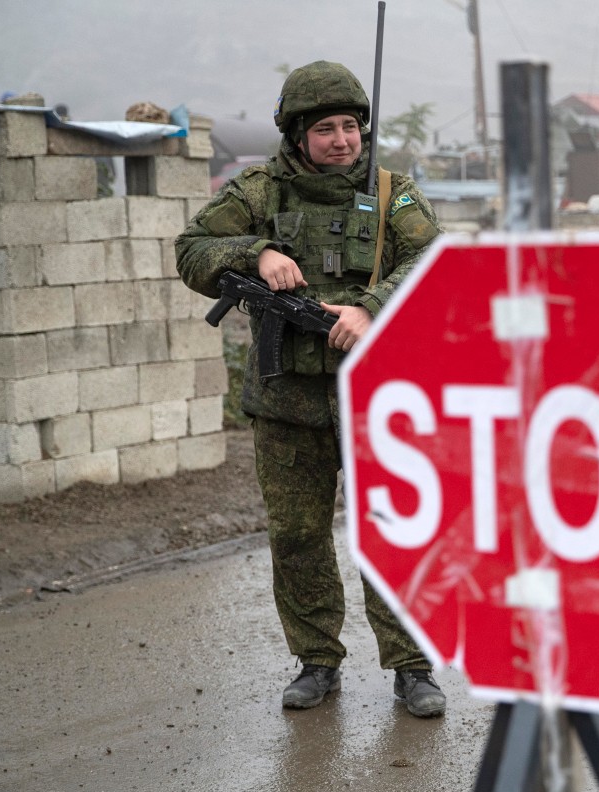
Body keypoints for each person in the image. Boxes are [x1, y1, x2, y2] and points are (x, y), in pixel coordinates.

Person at [175, 61, 447, 717]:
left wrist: (373, 306)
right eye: (324, 128)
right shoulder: (261, 190)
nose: (341, 140)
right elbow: (191, 248)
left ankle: (412, 667)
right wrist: (256, 253)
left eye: (350, 126)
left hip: (380, 400)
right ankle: (317, 661)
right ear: (299, 135)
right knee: (297, 535)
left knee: (396, 530)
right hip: (288, 401)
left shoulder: (392, 194)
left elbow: (435, 259)